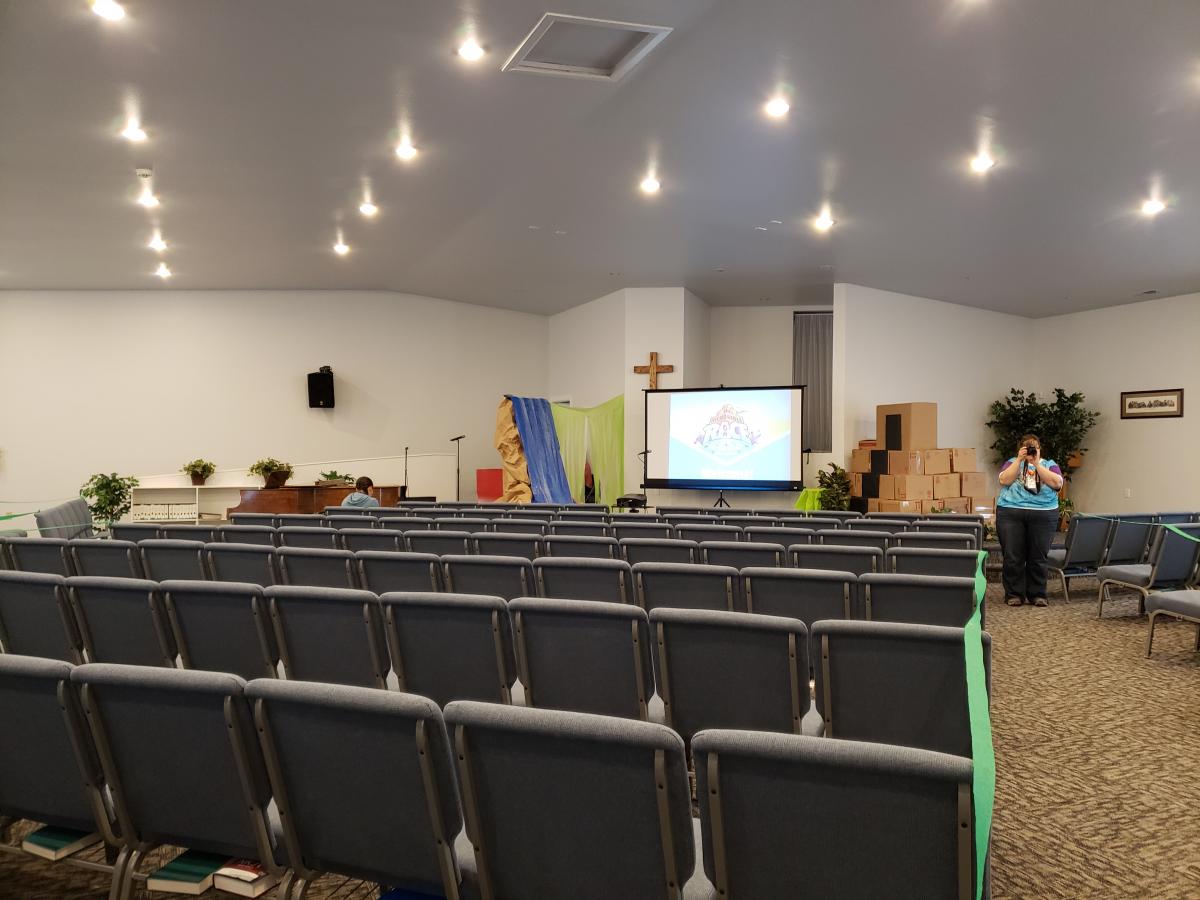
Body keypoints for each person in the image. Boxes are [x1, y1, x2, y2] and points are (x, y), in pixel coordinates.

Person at [996, 433, 1064, 607]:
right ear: (1020, 449)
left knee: (1038, 556)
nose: (1030, 451)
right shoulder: (1013, 462)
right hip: (1011, 513)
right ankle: (1014, 594)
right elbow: (1004, 479)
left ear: (1040, 449)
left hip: (1043, 514)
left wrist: (1037, 464)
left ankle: (1038, 594)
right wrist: (1019, 460)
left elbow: (1057, 483)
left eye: (1034, 447)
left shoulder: (1049, 464)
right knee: (1012, 555)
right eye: (1027, 447)